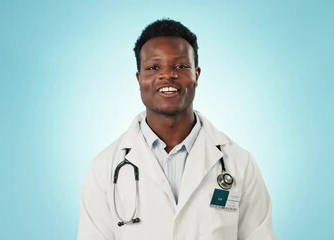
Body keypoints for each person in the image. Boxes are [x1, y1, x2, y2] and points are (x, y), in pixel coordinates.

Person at [78, 19, 275, 240]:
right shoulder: (104, 168)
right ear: (139, 78)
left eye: (180, 66)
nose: (167, 75)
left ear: (197, 75)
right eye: (153, 67)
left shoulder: (239, 164)